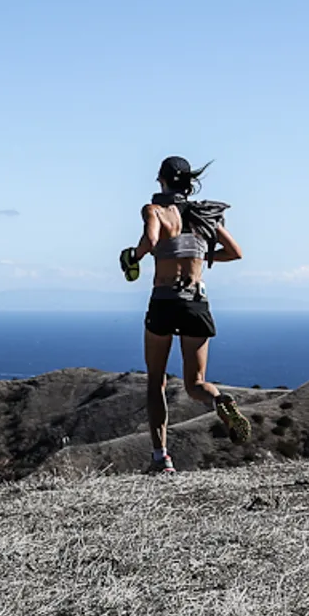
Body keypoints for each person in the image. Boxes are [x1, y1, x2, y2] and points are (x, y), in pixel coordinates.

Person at [120, 156, 252, 474]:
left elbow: (151, 240)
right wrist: (205, 256)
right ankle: (221, 401)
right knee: (195, 384)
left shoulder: (155, 210)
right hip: (196, 301)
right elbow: (236, 252)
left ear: (161, 180)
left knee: (156, 383)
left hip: (164, 301)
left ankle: (161, 458)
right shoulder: (206, 216)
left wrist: (132, 257)